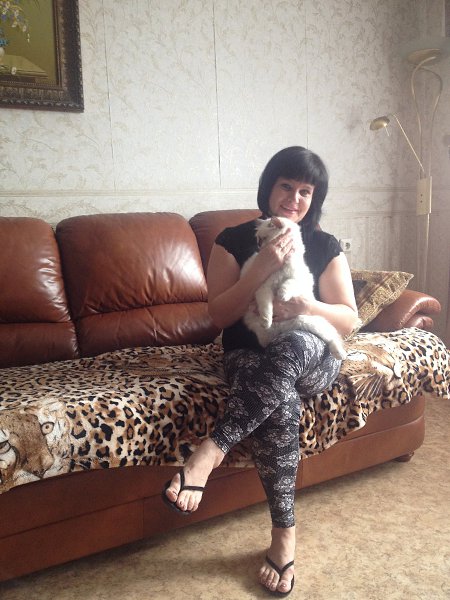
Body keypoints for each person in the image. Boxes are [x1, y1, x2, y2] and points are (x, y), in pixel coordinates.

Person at [162, 146, 359, 596]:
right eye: (287, 186)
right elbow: (219, 316)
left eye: (306, 191)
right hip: (247, 354)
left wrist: (307, 306)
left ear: (315, 199)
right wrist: (262, 268)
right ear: (269, 187)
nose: (294, 198)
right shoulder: (233, 240)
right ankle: (284, 536)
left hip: (313, 353)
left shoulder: (324, 245)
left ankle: (210, 452)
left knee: (293, 348)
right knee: (280, 400)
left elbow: (348, 318)